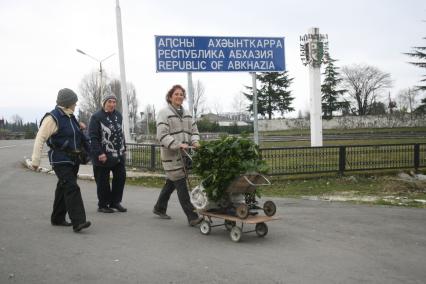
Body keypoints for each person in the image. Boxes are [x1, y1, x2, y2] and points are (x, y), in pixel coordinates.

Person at [31, 88, 91, 233]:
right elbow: (40, 138)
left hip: (73, 159)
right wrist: (35, 160)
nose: (76, 104)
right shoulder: (53, 117)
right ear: (68, 102)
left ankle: (57, 218)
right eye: (74, 102)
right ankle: (79, 221)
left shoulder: (71, 117)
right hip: (60, 159)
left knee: (63, 187)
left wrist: (90, 153)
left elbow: (78, 137)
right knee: (71, 187)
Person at [153, 84, 203, 226]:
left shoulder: (187, 114)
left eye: (181, 94)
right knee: (180, 183)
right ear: (170, 97)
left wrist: (195, 142)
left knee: (171, 182)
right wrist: (177, 144)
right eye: (176, 94)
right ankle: (192, 217)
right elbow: (161, 135)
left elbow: (194, 131)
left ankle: (159, 207)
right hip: (171, 155)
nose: (179, 96)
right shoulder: (164, 113)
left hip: (185, 155)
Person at [89, 93, 127, 213]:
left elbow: (121, 133)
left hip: (118, 155)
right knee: (103, 181)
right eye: (109, 102)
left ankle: (115, 202)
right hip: (103, 156)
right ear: (104, 103)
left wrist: (124, 147)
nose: (112, 104)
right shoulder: (96, 117)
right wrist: (100, 153)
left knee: (120, 178)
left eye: (114, 102)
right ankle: (103, 204)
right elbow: (93, 137)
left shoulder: (119, 115)